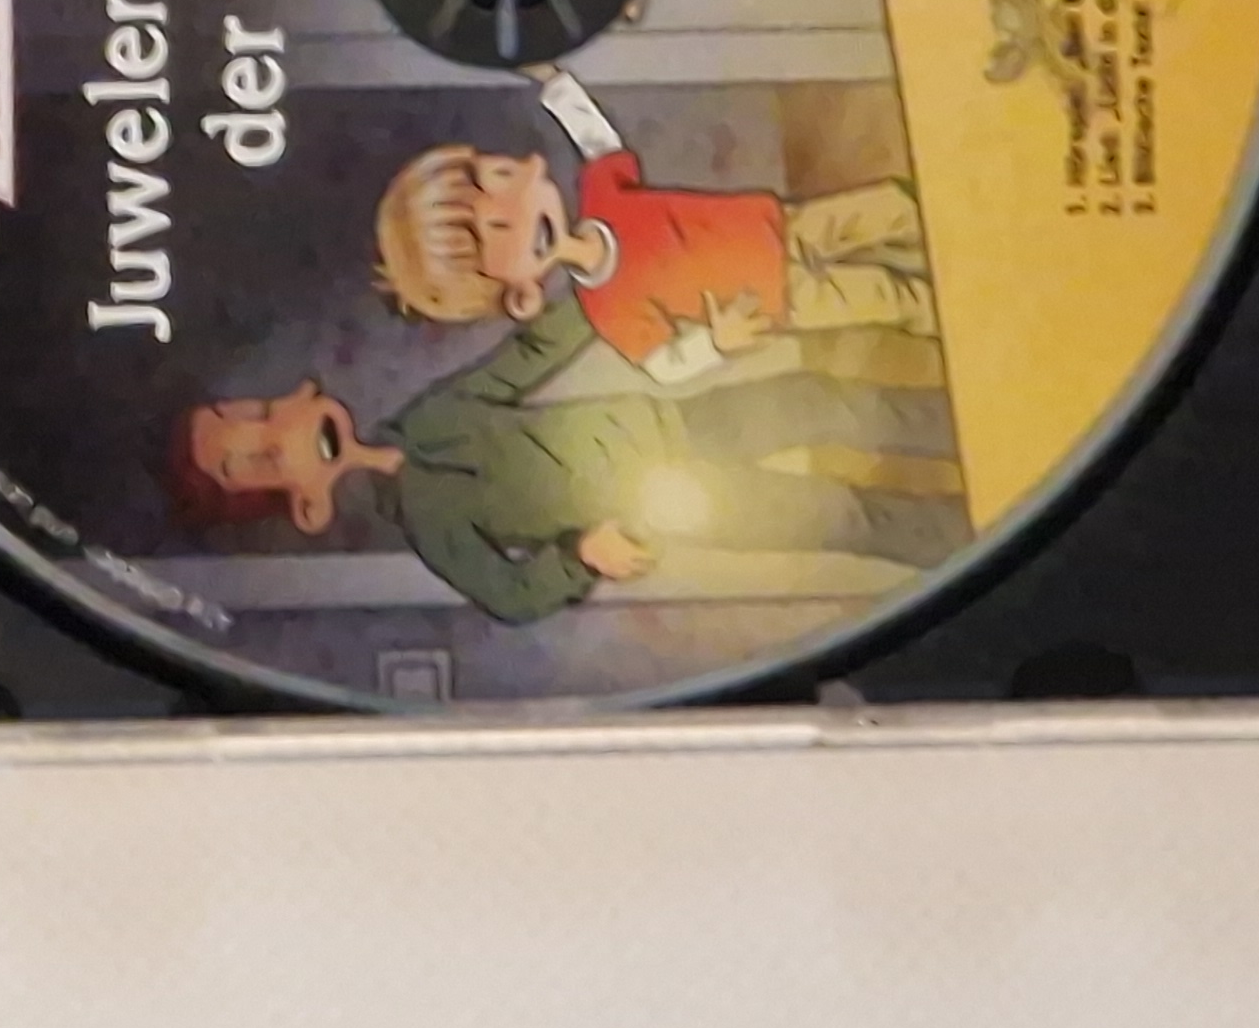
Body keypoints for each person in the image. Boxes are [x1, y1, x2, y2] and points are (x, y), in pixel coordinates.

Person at [171, 299, 962, 626]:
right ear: (306, 506)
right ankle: (965, 535)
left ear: (299, 394)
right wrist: (580, 557)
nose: (277, 435)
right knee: (830, 513)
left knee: (823, 400)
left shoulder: (428, 418)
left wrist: (590, 302)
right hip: (659, 503)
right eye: (258, 461)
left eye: (260, 416)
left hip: (665, 422)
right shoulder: (431, 523)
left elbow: (517, 362)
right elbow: (508, 594)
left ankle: (978, 413)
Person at [368, 65, 935, 386]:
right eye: (488, 239)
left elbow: (598, 143)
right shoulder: (608, 308)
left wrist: (555, 83)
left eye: (492, 184)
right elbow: (663, 365)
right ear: (520, 296)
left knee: (890, 209)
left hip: (780, 224)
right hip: (774, 298)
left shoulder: (604, 195)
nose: (508, 218)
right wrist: (717, 342)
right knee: (887, 295)